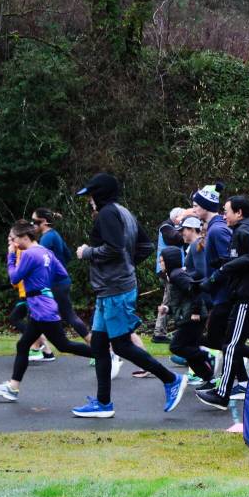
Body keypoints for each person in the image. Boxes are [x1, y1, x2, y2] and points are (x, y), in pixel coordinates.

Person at [72, 173, 184, 418]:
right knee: (100, 345)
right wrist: (127, 264)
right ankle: (103, 404)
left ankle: (171, 379)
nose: (89, 200)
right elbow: (145, 246)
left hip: (115, 290)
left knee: (121, 345)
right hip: (111, 288)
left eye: (91, 195)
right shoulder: (124, 212)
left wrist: (87, 252)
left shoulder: (107, 214)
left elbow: (113, 248)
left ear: (99, 195)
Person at [0, 220, 94, 402]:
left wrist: (11, 257)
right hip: (40, 307)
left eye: (12, 239)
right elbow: (62, 275)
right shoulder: (46, 252)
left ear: (24, 237)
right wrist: (43, 283)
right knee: (23, 345)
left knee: (63, 345)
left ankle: (101, 354)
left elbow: (14, 278)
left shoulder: (29, 254)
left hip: (42, 309)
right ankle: (13, 388)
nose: (11, 243)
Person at [195, 196, 249, 409]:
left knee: (231, 344)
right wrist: (223, 266)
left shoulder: (245, 231)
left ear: (239, 213)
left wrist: (227, 268)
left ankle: (222, 393)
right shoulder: (242, 231)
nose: (223, 215)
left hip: (247, 296)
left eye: (227, 211)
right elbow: (244, 260)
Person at [191, 183, 233, 380]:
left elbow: (231, 262)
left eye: (197, 205)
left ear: (207, 206)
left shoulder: (218, 230)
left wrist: (213, 279)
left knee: (219, 339)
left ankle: (234, 380)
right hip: (219, 295)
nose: (194, 208)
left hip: (226, 294)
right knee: (225, 340)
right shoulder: (213, 229)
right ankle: (232, 379)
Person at [32, 208, 90, 342]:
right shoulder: (54, 235)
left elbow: (39, 261)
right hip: (60, 282)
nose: (32, 225)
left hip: (56, 284)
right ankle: (41, 349)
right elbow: (68, 256)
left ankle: (98, 350)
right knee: (39, 315)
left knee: (69, 316)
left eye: (35, 221)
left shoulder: (47, 238)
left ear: (44, 222)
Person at [160, 247, 214, 385]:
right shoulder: (174, 275)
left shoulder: (178, 275)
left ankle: (207, 355)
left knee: (176, 346)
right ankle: (209, 379)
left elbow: (195, 290)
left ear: (169, 261)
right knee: (189, 354)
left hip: (193, 317)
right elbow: (180, 300)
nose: (161, 264)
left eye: (162, 261)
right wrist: (167, 309)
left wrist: (196, 312)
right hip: (187, 316)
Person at [153, 207, 189, 343]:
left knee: (172, 298)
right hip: (166, 269)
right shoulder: (166, 227)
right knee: (169, 298)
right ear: (176, 218)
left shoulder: (170, 227)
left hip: (173, 269)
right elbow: (177, 239)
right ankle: (159, 333)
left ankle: (163, 331)